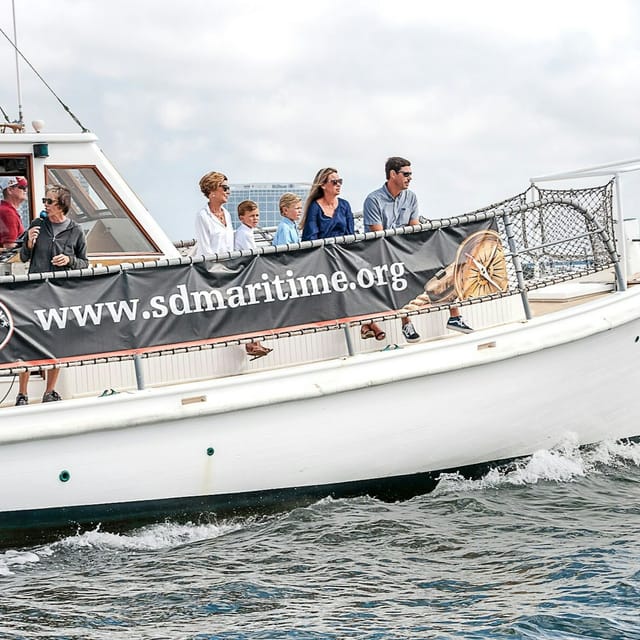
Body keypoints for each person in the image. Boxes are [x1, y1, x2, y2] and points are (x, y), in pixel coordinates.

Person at [363, 156, 473, 343]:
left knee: (444, 262)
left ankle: (454, 316)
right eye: (406, 174)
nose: (410, 178)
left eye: (410, 174)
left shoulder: (411, 197)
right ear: (392, 174)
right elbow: (379, 235)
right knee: (398, 275)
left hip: (406, 248)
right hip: (382, 253)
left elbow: (414, 229)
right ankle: (406, 323)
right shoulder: (373, 200)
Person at [16, 184, 89, 405]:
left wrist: (69, 261)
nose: (45, 205)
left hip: (60, 294)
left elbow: (85, 263)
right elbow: (23, 257)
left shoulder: (76, 230)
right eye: (44, 201)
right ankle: (22, 394)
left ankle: (49, 391)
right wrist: (28, 243)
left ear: (62, 205)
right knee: (26, 341)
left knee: (56, 341)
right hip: (34, 292)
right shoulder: (38, 224)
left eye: (49, 202)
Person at [234, 200, 272, 360]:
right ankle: (251, 344)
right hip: (245, 274)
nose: (255, 219)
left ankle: (256, 341)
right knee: (251, 309)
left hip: (247, 273)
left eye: (257, 215)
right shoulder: (243, 233)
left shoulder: (247, 231)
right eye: (251, 216)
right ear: (242, 218)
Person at [300, 168, 354, 241]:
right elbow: (311, 236)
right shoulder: (314, 207)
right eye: (334, 182)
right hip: (323, 250)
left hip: (343, 250)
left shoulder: (345, 205)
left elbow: (350, 234)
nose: (338, 184)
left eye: (340, 181)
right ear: (323, 185)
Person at [194, 171, 234, 256]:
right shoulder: (203, 216)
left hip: (229, 265)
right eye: (225, 188)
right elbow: (206, 250)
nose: (228, 192)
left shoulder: (227, 214)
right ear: (212, 190)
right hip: (211, 267)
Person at [0, 176, 27, 250]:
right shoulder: (7, 212)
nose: (25, 190)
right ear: (10, 190)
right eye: (22, 187)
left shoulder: (7, 210)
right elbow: (9, 246)